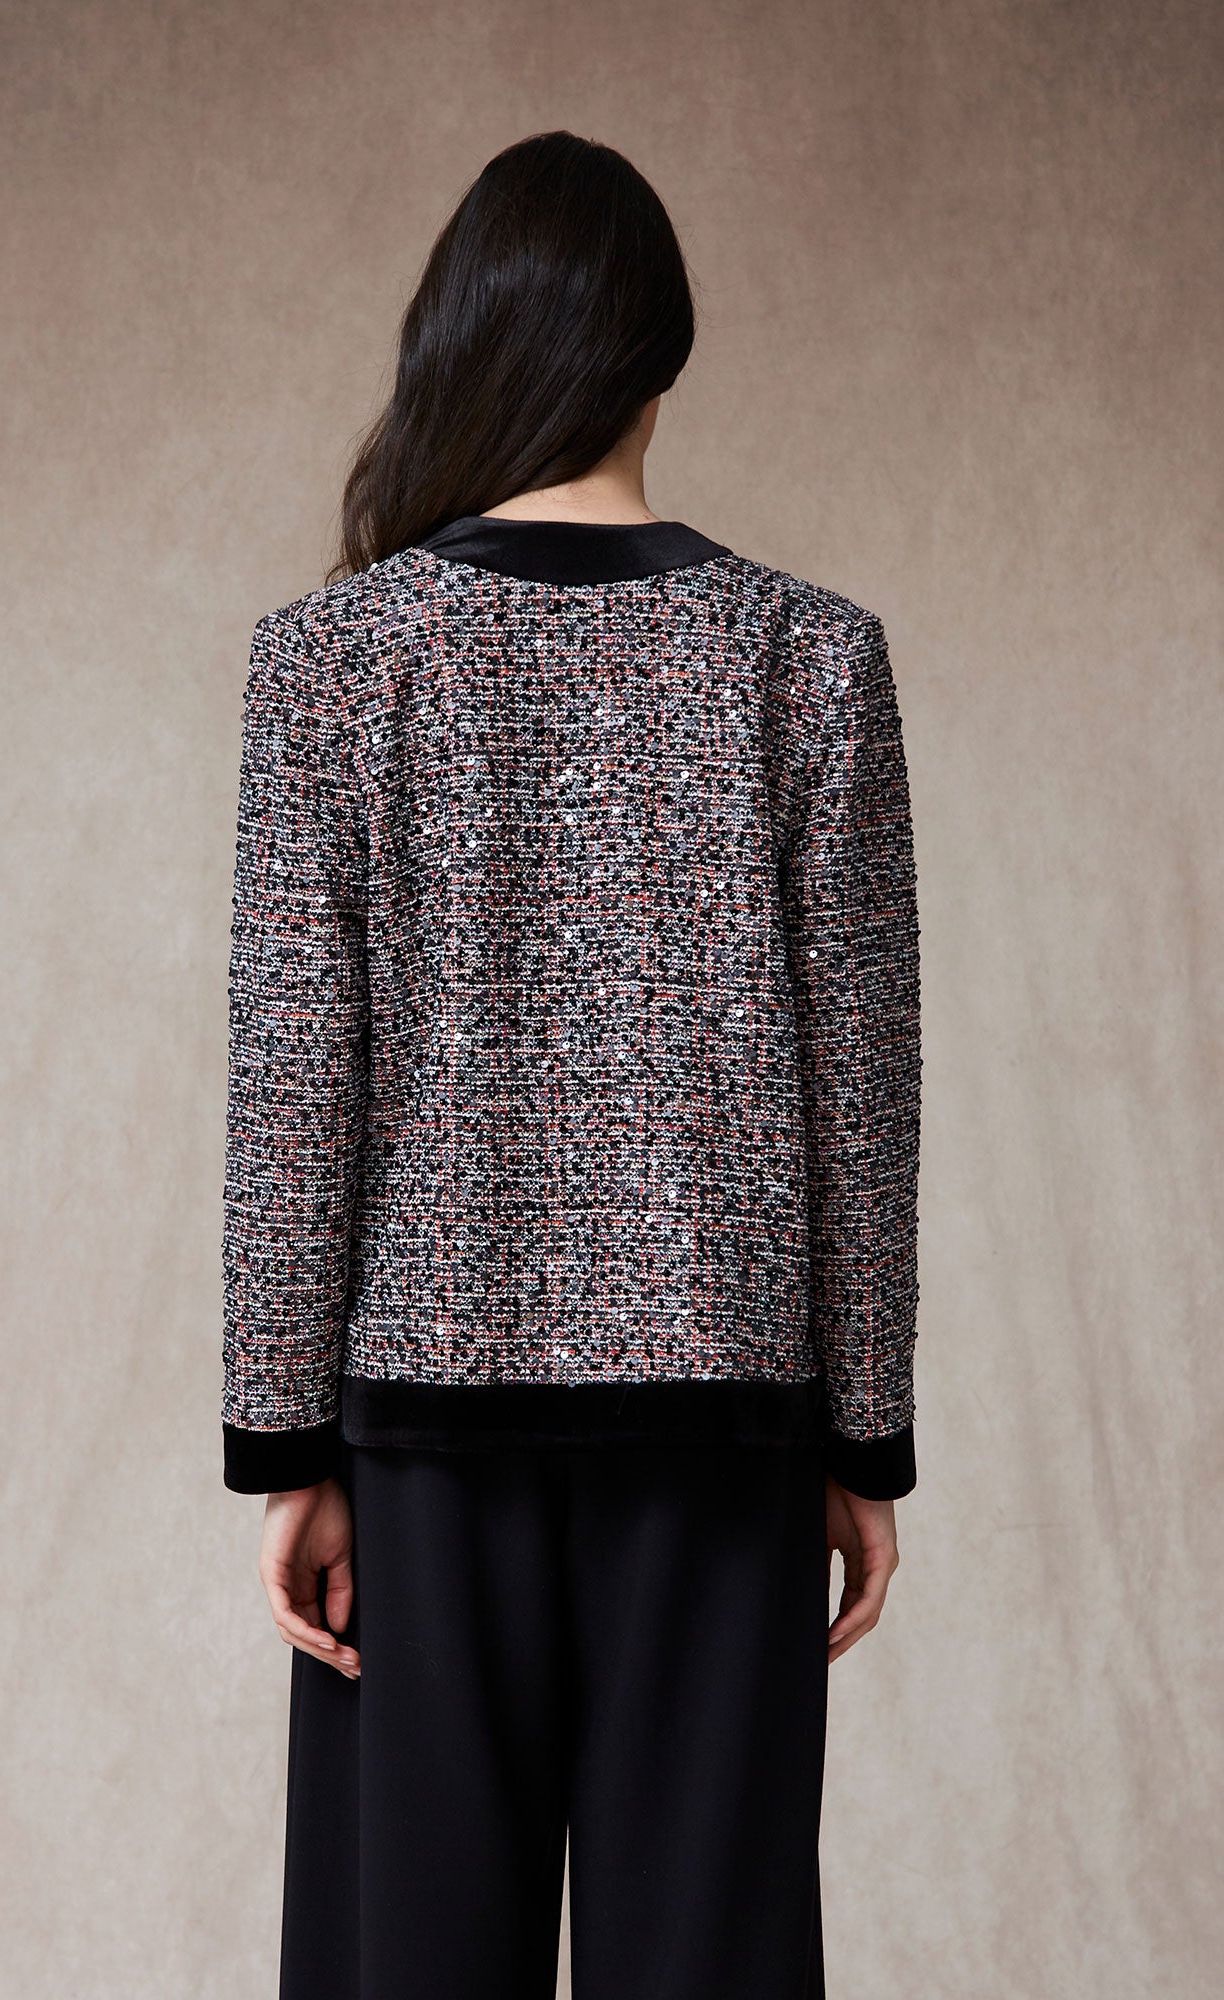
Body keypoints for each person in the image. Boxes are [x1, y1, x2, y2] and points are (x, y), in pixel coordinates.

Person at [220, 128, 922, 2000]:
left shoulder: (331, 660)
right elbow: (864, 1095)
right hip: (723, 1425)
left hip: (419, 1440)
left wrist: (286, 1445)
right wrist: (861, 1435)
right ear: (660, 355)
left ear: (459, 345)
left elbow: (294, 1086)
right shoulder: (808, 659)